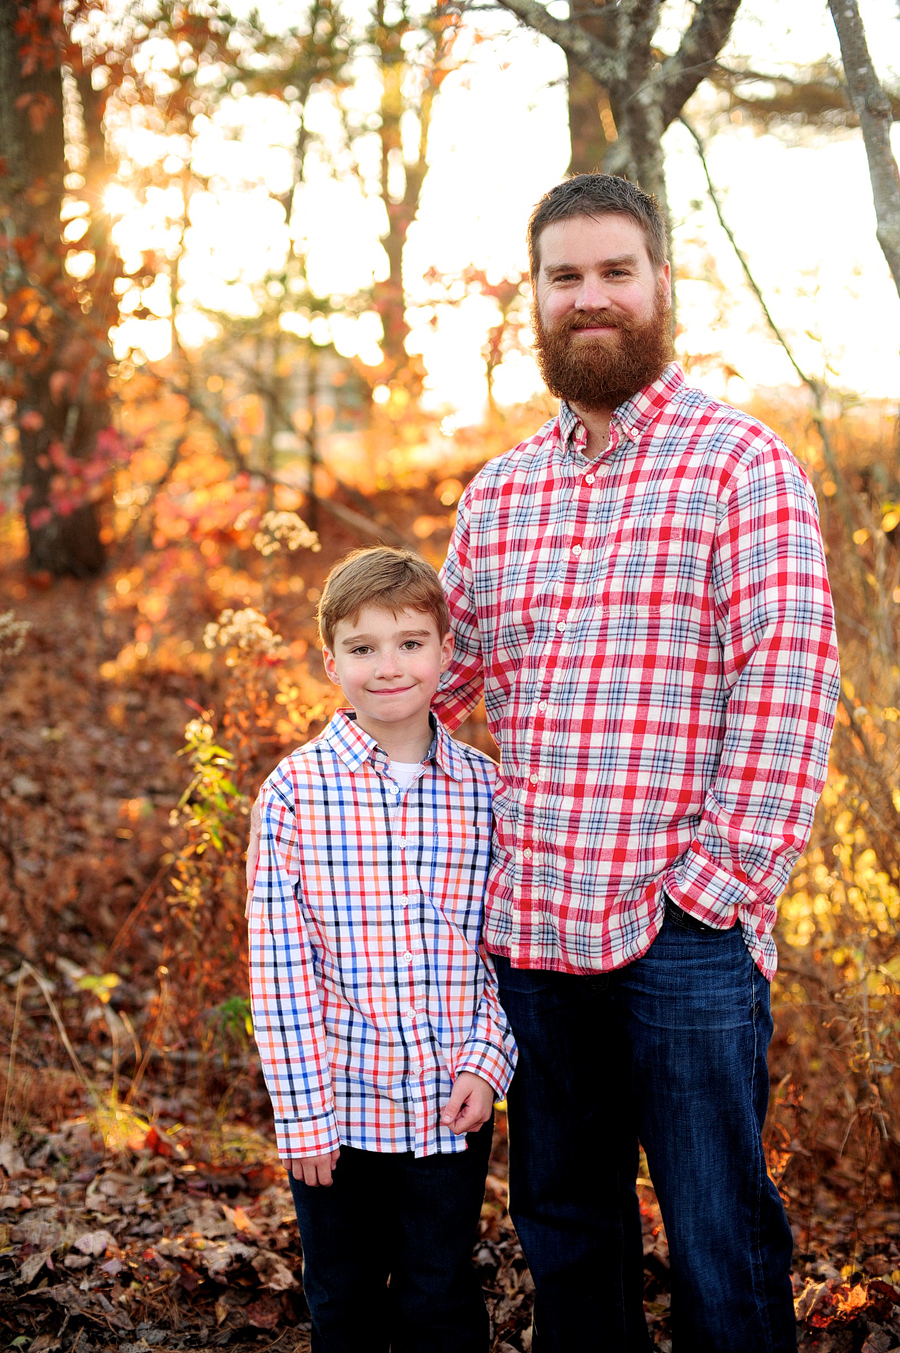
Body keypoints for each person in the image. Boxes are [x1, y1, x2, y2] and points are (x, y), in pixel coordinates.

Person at [434, 174, 840, 1353]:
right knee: (566, 1228)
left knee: (720, 1236)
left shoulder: (740, 466)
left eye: (616, 271)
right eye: (566, 277)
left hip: (684, 936)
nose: (591, 297)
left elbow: (789, 688)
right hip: (534, 931)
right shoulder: (502, 494)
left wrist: (709, 898)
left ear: (662, 284)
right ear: (537, 298)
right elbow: (438, 687)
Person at [247, 546, 516, 1353]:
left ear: (444, 652)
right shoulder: (295, 793)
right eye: (363, 648)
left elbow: (504, 947)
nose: (388, 666)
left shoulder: (485, 790)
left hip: (447, 1107)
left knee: (440, 1296)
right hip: (337, 1110)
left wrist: (486, 1061)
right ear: (331, 662)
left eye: (409, 642)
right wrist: (302, 1117)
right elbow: (279, 970)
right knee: (344, 1296)